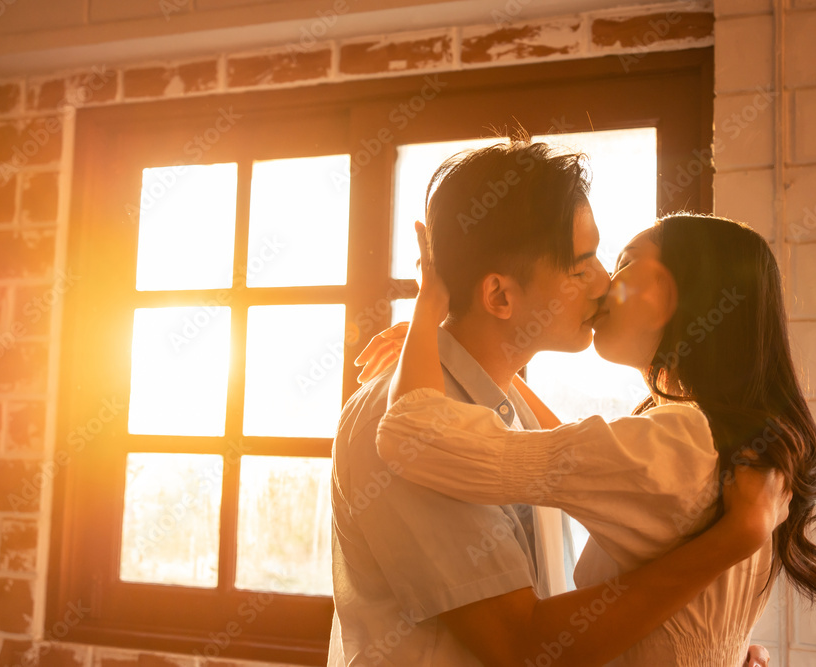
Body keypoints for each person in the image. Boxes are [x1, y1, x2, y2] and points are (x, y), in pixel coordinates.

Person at [328, 140, 786, 666]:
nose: (604, 283)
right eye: (582, 265)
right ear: (500, 297)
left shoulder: (508, 414)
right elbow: (523, 647)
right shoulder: (397, 420)